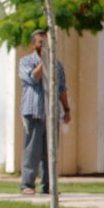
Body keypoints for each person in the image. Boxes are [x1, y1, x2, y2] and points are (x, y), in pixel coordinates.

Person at [20, 29, 71, 195]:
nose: (44, 46)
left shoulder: (58, 65)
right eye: (40, 42)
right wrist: (44, 61)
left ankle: (49, 186)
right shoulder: (26, 61)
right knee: (32, 151)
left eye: (46, 43)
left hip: (52, 114)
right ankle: (27, 185)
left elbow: (62, 89)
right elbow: (34, 78)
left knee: (51, 152)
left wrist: (66, 109)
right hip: (34, 113)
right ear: (34, 44)